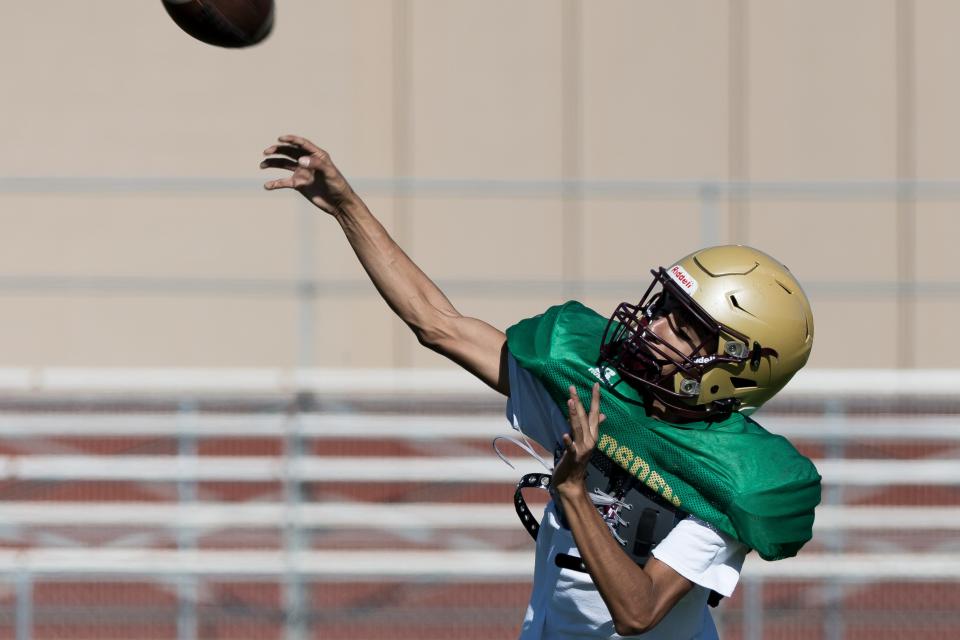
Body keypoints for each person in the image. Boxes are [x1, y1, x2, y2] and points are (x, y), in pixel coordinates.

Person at [260, 135, 821, 639]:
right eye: (663, 308)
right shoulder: (594, 393)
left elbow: (639, 612)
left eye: (680, 325)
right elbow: (439, 325)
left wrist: (574, 488)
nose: (651, 326)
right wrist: (345, 207)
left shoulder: (737, 476)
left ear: (737, 367)